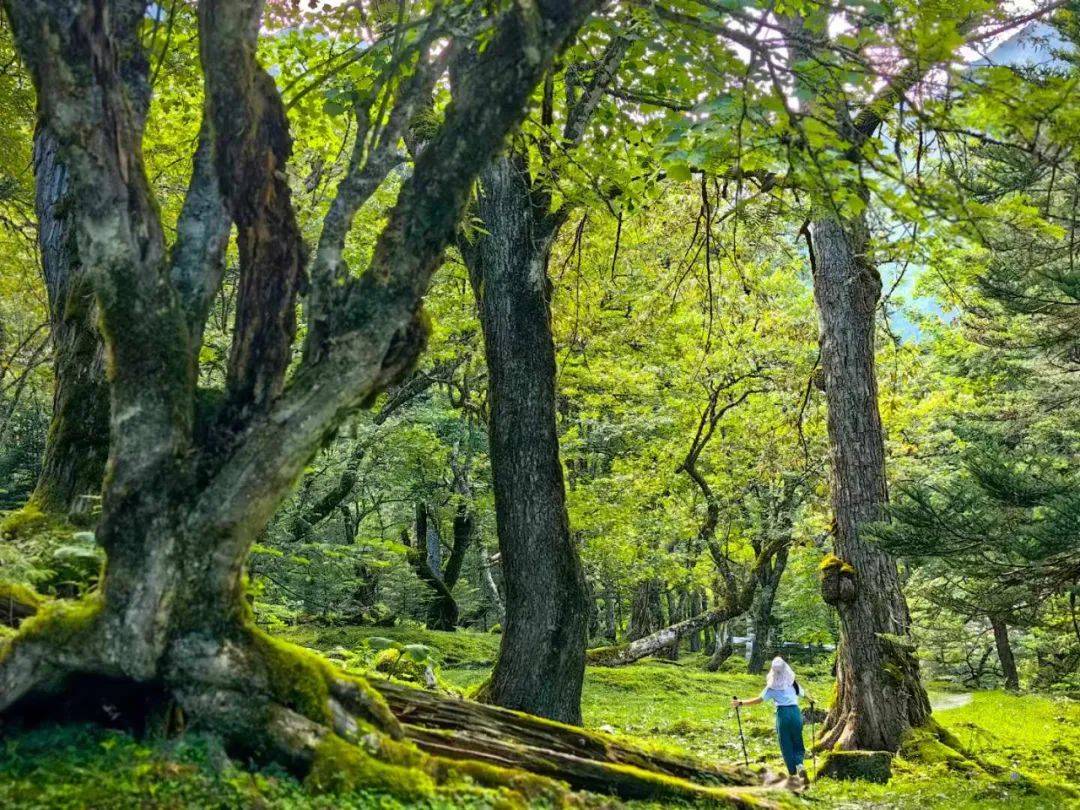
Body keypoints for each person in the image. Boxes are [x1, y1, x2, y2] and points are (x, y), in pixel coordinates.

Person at [732, 656, 810, 784]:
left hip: (783, 715)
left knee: (786, 745)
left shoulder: (771, 687)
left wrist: (740, 702)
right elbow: (804, 695)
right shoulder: (793, 683)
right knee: (797, 741)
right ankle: (800, 764)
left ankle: (793, 774)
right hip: (796, 713)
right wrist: (812, 701)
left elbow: (758, 700)